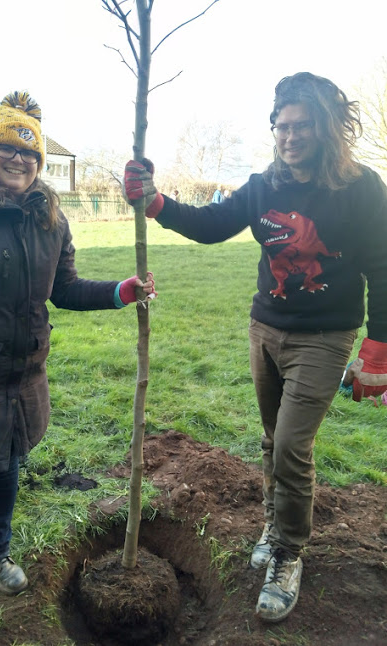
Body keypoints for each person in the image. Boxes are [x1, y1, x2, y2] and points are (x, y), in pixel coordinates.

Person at [123, 72, 387, 623]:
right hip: (265, 327)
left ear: (326, 127)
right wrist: (155, 202)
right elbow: (212, 224)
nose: (289, 136)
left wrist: (379, 346)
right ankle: (273, 522)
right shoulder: (263, 185)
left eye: (301, 125)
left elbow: (383, 267)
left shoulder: (360, 189)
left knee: (291, 445)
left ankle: (289, 552)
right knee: (272, 438)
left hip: (325, 336)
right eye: (281, 126)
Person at [0, 91, 155, 645]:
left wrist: (120, 291)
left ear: (39, 161)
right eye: (7, 149)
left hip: (20, 379)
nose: (18, 160)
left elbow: (64, 288)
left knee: (9, 468)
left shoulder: (48, 218)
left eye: (29, 152)